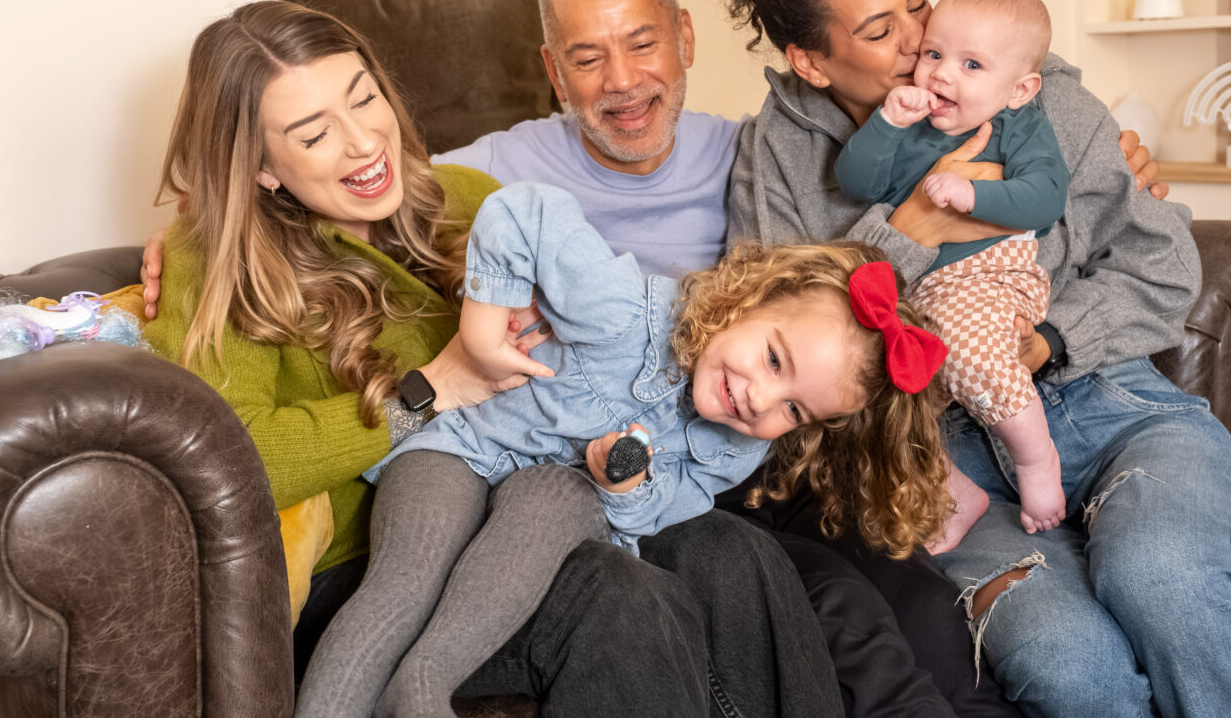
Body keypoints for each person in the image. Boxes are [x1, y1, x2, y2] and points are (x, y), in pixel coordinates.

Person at [702, 0, 1231, 718]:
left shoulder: (1025, 83)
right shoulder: (777, 162)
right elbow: (793, 363)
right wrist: (908, 231)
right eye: (881, 29)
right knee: (1067, 662)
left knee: (1161, 575)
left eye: (918, 1)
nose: (921, 39)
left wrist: (1051, 340)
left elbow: (1162, 264)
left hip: (1109, 403)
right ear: (810, 59)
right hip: (952, 457)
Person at [140, 0, 775, 718]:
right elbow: (224, 459)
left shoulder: (466, 198)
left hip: (526, 502)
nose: (362, 143)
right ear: (259, 167)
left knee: (734, 552)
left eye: (366, 99)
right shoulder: (215, 263)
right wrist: (430, 389)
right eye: (314, 134)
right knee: (618, 595)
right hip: (373, 560)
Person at [296, 180, 953, 718]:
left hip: (551, 491)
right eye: (773, 357)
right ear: (751, 299)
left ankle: (424, 686)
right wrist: (483, 325)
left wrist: (625, 491)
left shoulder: (734, 451)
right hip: (461, 447)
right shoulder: (620, 310)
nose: (760, 398)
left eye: (794, 408)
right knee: (404, 582)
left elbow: (658, 513)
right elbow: (524, 210)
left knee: (563, 503)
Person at [834, 0, 1068, 545]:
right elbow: (855, 182)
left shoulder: (1021, 126)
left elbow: (1047, 196)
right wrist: (886, 122)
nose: (941, 74)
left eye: (971, 65)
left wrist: (974, 197)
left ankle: (1036, 465)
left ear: (1019, 89)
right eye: (935, 55)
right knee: (880, 388)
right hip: (925, 290)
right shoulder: (911, 125)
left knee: (972, 354)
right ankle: (953, 492)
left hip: (992, 273)